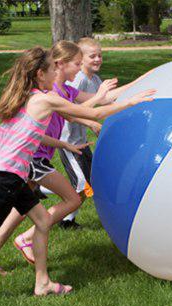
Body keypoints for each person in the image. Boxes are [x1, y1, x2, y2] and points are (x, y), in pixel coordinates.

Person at [0, 46, 155, 296]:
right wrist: (132, 101)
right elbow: (93, 112)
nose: (55, 73)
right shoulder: (44, 98)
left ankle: (42, 283)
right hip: (7, 177)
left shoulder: (27, 97)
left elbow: (3, 137)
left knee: (42, 221)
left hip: (10, 175)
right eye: (53, 69)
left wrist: (62, 143)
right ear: (41, 73)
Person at [59, 37, 151, 228]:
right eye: (92, 56)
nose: (98, 59)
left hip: (81, 141)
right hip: (67, 141)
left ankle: (67, 220)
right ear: (80, 59)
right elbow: (69, 111)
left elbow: (107, 99)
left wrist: (140, 82)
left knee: (90, 182)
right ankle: (42, 190)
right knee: (82, 185)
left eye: (100, 55)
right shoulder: (79, 79)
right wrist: (91, 122)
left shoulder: (94, 79)